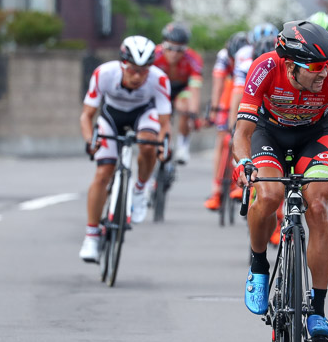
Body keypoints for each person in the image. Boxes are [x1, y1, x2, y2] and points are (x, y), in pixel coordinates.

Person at [233, 20, 328, 342]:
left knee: (318, 207)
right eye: (314, 67)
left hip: (315, 137)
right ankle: (258, 265)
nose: (324, 73)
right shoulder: (265, 67)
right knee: (269, 196)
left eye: (326, 65)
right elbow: (242, 132)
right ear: (290, 65)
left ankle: (318, 309)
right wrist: (243, 162)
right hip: (268, 134)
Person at [78, 36, 172, 262]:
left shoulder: (159, 79)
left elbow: (164, 123)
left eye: (144, 70)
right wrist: (90, 140)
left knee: (149, 143)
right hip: (111, 117)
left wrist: (163, 146)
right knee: (103, 172)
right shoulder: (104, 73)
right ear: (122, 64)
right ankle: (91, 236)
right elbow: (87, 115)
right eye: (132, 70)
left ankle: (140, 189)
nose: (138, 76)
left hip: (143, 115)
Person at [204, 31, 250, 210]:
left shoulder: (249, 57)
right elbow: (218, 84)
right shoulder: (223, 57)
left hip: (246, 90)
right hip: (231, 90)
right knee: (222, 139)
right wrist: (215, 109)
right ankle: (216, 188)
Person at [153, 22, 203, 165]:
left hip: (182, 88)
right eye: (169, 48)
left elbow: (195, 87)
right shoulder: (155, 55)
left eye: (179, 49)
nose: (174, 54)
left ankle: (183, 145)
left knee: (185, 106)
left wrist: (193, 113)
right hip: (161, 89)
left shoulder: (193, 59)